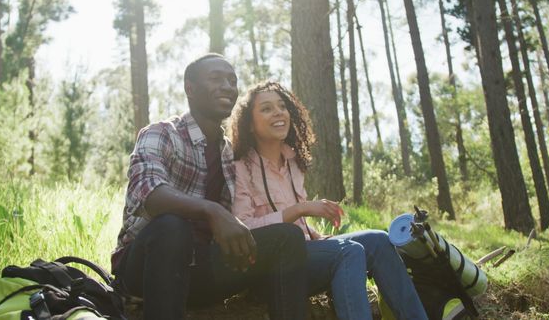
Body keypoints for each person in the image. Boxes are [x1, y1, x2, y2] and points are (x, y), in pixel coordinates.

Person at [111, 55, 308, 320]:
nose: (227, 86)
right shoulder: (160, 133)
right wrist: (211, 210)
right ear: (190, 89)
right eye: (216, 79)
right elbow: (151, 194)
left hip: (200, 268)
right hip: (146, 268)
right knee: (172, 225)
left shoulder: (228, 152)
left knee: (287, 237)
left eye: (232, 81)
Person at [230, 81, 429, 320]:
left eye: (282, 106)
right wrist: (300, 209)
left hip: (304, 254)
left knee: (379, 240)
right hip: (271, 270)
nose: (278, 112)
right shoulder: (240, 168)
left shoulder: (293, 162)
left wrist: (314, 234)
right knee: (349, 251)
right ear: (250, 124)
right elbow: (244, 229)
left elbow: (292, 223)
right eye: (266, 108)